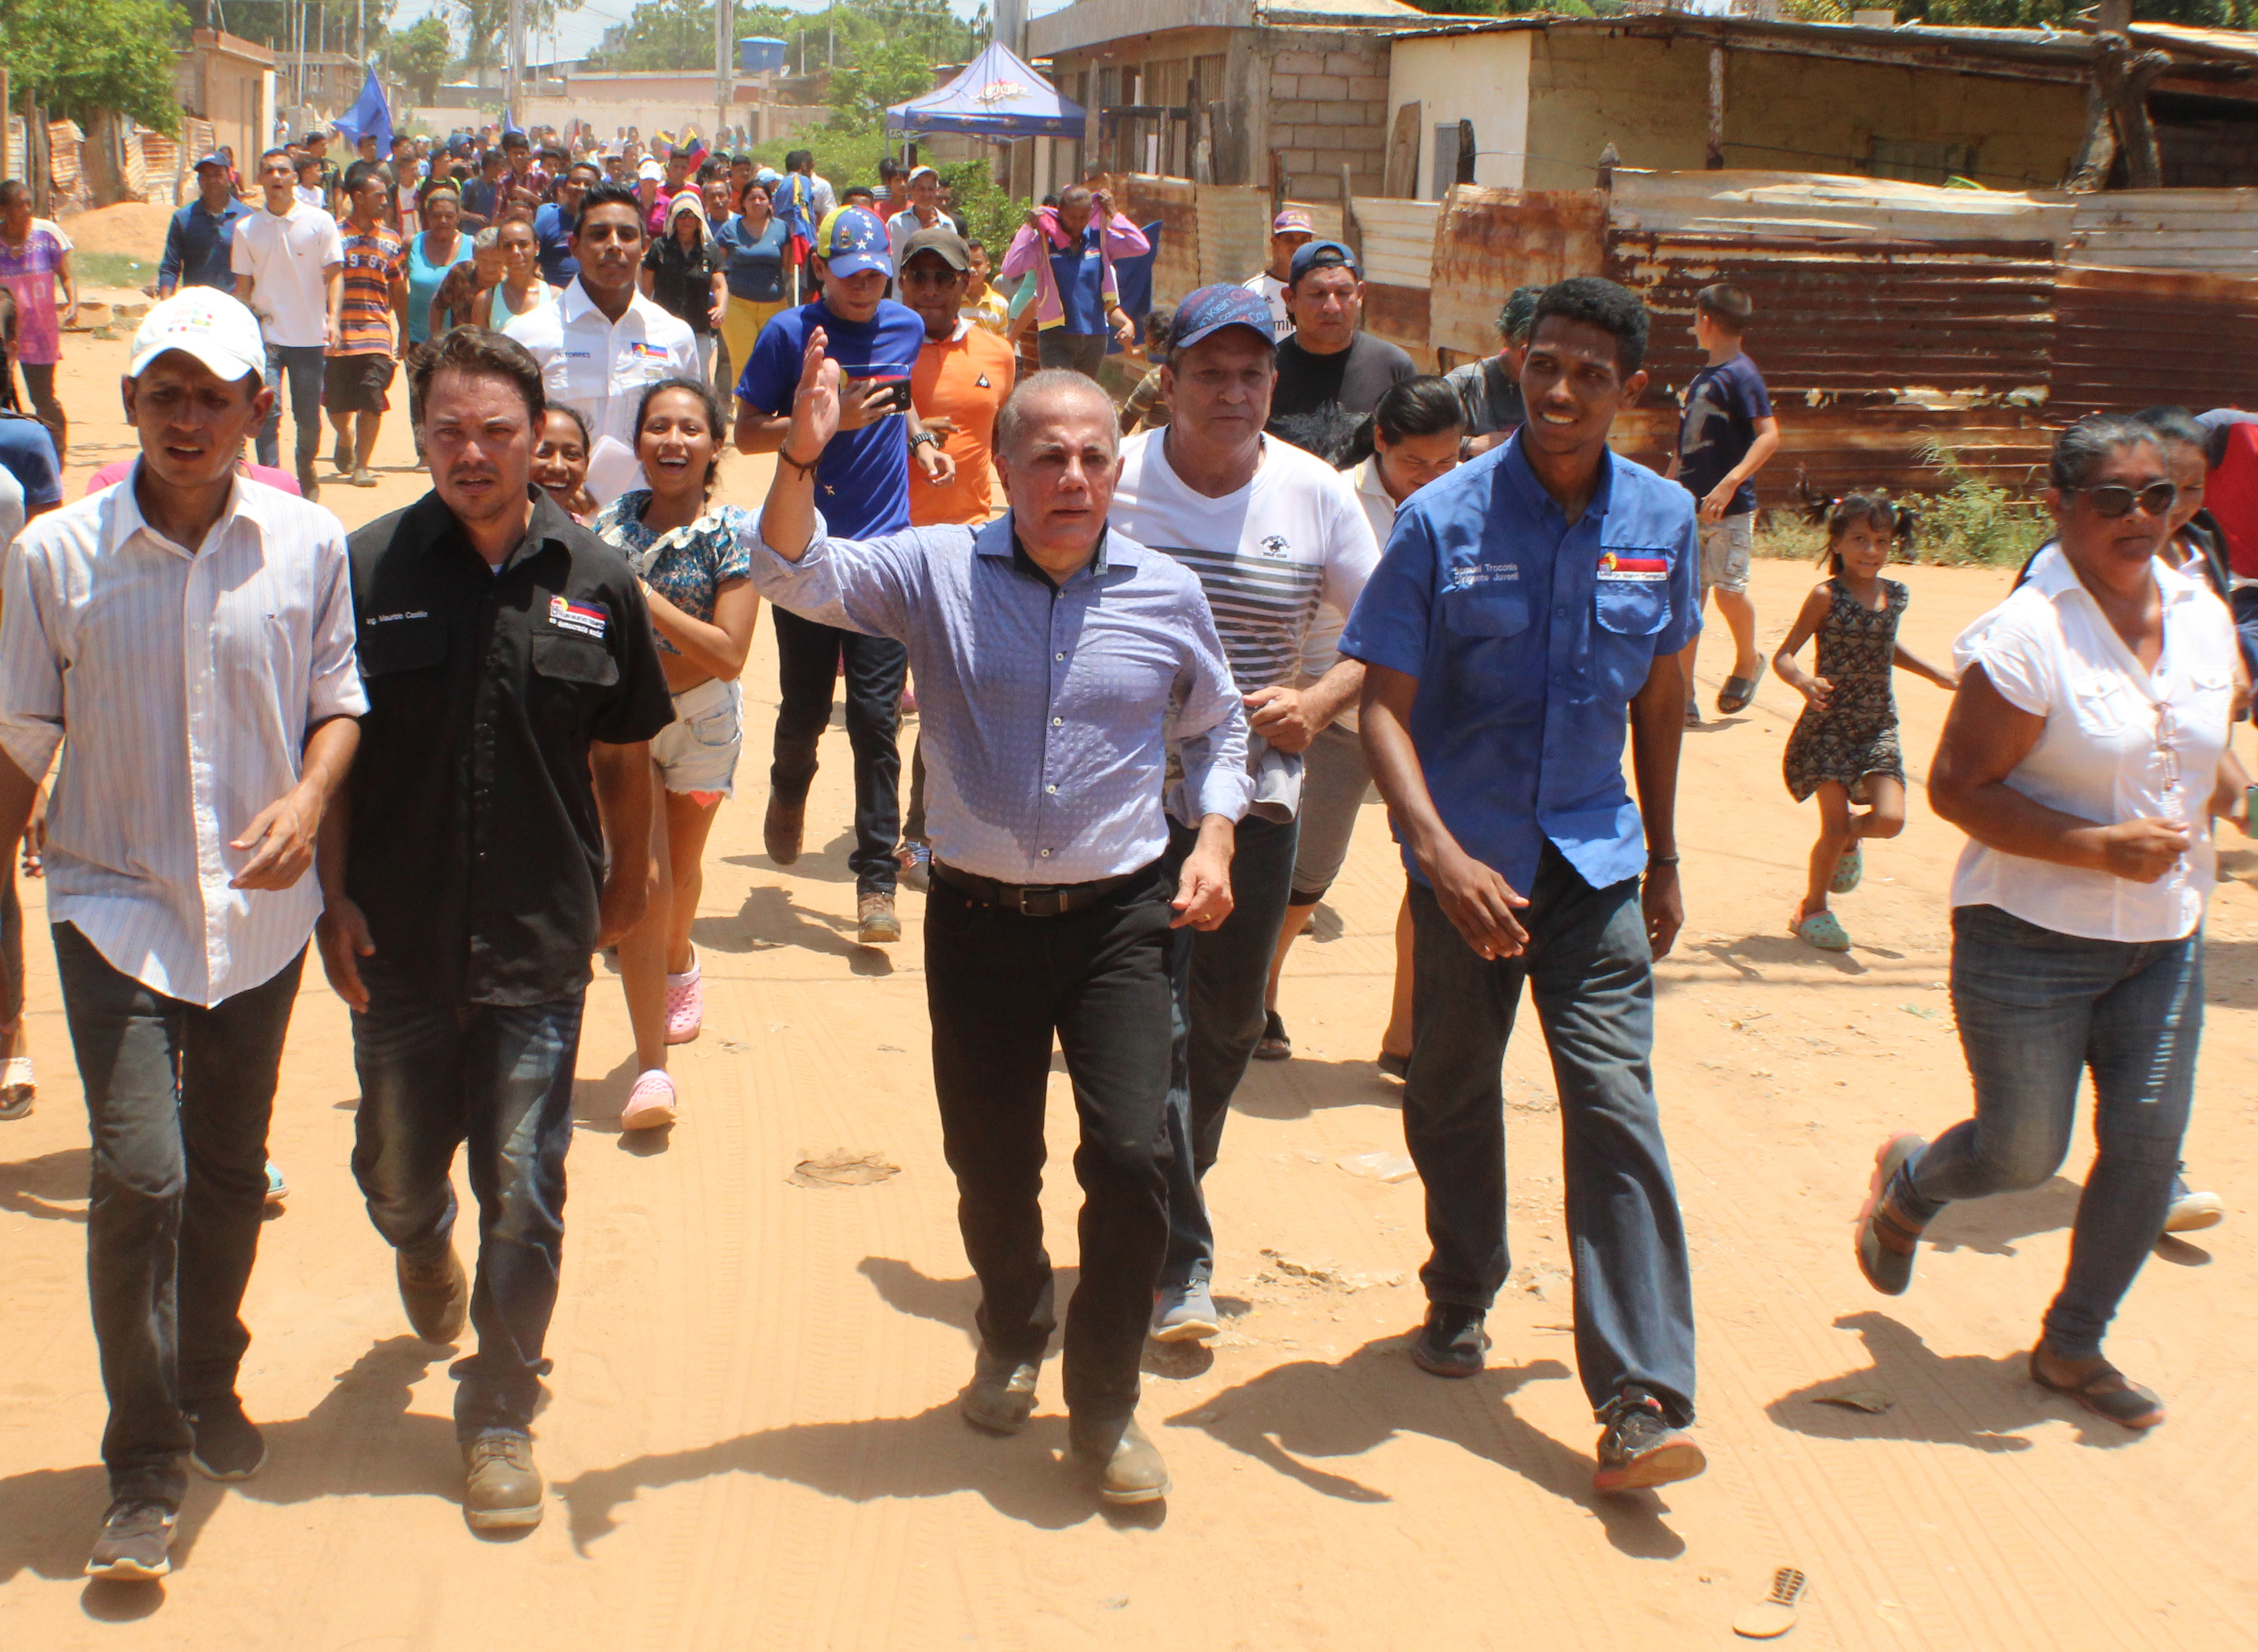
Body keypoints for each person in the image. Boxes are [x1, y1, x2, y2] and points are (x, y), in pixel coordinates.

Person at [748, 352, 1250, 1506]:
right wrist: (802, 454)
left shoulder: (1166, 594)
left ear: (1114, 470)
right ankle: (1013, 1330)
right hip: (976, 922)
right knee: (990, 1161)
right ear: (1006, 468)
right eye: (1046, 456)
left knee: (1130, 1157)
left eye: (1090, 457)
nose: (1070, 477)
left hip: (1121, 919)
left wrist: (1214, 835)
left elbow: (1217, 731)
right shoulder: (934, 571)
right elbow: (788, 569)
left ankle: (1107, 1403)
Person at [0, 290, 364, 1579]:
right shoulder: (55, 556)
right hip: (111, 904)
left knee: (226, 1170)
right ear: (131, 406)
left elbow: (340, 703)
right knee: (140, 1176)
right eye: (166, 395)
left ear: (259, 410)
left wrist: (311, 798)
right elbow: (19, 744)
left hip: (259, 917)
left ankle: (208, 1375)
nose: (188, 420)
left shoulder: (310, 543)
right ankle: (143, 1465)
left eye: (214, 397)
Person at [1341, 275, 1708, 1493]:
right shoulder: (1441, 520)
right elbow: (1383, 710)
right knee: (1450, 1090)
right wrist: (1435, 855)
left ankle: (1643, 1396)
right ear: (1516, 364)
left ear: (1630, 391)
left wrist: (1662, 854)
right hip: (1466, 871)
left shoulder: (1664, 518)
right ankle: (1460, 1288)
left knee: (1614, 1101)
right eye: (1545, 366)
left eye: (1591, 375)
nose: (1561, 392)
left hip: (1594, 862)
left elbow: (1661, 696)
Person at [319, 326, 673, 1533]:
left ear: (540, 441)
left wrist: (632, 888)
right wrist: (332, 897)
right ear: (421, 436)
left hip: (539, 933)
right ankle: (420, 1246)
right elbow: (334, 756)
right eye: (448, 432)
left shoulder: (598, 579)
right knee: (400, 1167)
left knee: (525, 1183)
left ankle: (502, 1410)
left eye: (497, 433)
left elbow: (625, 756)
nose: (471, 454)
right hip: (400, 935)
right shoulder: (364, 568)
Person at [1854, 415, 2242, 1433]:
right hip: (2026, 939)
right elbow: (1954, 787)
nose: (2136, 516)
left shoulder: (2199, 611)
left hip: (2162, 938)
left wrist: (2233, 794)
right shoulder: (2027, 636)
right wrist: (2094, 846)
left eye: (2154, 496)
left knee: (2145, 1149)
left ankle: (2071, 1345)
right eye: (2109, 498)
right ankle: (1908, 1186)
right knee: (2020, 1156)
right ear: (2058, 508)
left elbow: (2199, 735)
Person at [1107, 285, 1381, 1341]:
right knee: (1161, 1024)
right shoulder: (1116, 479)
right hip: (1127, 804)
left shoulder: (1314, 494)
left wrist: (1316, 702)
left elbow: (1388, 624)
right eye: (1210, 373)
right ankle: (1181, 1253)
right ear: (1166, 381)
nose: (1232, 391)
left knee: (1224, 1025)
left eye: (1251, 373)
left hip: (1261, 801)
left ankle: (1168, 1184)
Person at [735, 206, 948, 946]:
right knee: (801, 708)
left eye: (875, 276)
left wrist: (917, 443)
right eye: (850, 274)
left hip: (885, 556)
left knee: (876, 722)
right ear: (820, 268)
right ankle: (788, 789)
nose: (865, 289)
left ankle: (875, 883)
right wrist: (823, 424)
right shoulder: (787, 335)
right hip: (807, 549)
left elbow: (901, 397)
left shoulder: (905, 328)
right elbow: (744, 433)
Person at [1258, 376, 1464, 1066]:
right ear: (1381, 443)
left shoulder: (1472, 505)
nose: (1433, 479)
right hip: (1335, 712)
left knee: (1435, 877)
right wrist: (1313, 705)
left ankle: (1408, 1035)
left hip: (1436, 720)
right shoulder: (1333, 499)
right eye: (1416, 464)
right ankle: (1259, 993)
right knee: (1305, 876)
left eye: (1447, 463)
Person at [590, 379, 761, 1129]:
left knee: (682, 876)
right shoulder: (606, 529)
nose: (673, 441)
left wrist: (641, 602)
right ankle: (650, 1069)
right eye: (658, 428)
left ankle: (680, 958)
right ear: (639, 442)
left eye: (690, 428)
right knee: (646, 873)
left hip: (702, 731)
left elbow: (728, 654)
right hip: (624, 731)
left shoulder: (735, 537)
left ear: (714, 444)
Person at [1772, 495, 1956, 952]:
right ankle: (1811, 908)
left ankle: (1850, 838)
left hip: (1878, 723)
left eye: (1881, 541)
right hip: (1830, 723)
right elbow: (1784, 655)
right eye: (1859, 540)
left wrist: (1935, 673)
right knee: (1831, 827)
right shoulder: (1824, 596)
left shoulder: (1895, 596)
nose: (1871, 550)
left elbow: (1885, 645)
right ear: (1836, 542)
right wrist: (1802, 682)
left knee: (1891, 819)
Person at [894, 227, 1016, 889]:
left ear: (967, 282)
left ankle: (916, 837)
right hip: (885, 545)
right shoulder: (879, 348)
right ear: (902, 282)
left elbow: (1005, 446)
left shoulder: (998, 355)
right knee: (873, 704)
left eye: (944, 277)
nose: (932, 290)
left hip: (967, 544)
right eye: (919, 277)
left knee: (944, 696)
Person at [506, 180, 698, 505]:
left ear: (645, 245)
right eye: (598, 235)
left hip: (650, 521)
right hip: (552, 520)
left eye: (626, 235)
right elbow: (506, 434)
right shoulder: (527, 336)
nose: (613, 245)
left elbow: (694, 435)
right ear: (574, 245)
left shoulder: (675, 337)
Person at [1670, 282, 1778, 722]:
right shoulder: (1701, 380)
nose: (1694, 327)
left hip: (1730, 512)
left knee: (1730, 594)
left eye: (1695, 319)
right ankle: (1683, 699)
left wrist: (1731, 482)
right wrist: (1663, 492)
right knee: (1689, 603)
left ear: (1707, 322)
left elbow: (1770, 435)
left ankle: (1748, 661)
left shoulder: (1743, 374)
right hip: (1691, 511)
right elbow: (1684, 451)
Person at [233, 147, 344, 500]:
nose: (277, 177)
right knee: (268, 409)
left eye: (283, 171)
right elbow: (243, 287)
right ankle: (272, 480)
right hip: (267, 337)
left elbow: (335, 274)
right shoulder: (246, 229)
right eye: (269, 171)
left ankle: (306, 464)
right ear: (260, 179)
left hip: (309, 336)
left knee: (308, 416)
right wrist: (240, 330)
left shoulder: (319, 222)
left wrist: (335, 321)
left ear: (295, 178)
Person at [1265, 240, 1416, 446]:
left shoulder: (1393, 367)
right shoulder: (1264, 370)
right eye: (1317, 294)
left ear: (1361, 294)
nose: (1332, 307)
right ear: (1290, 298)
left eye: (1344, 293)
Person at [999, 184, 1145, 378]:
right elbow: (1009, 269)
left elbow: (1140, 245)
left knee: (1084, 398)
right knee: (1060, 396)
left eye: (1083, 217)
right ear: (1060, 214)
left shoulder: (1100, 240)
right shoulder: (1045, 243)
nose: (1078, 223)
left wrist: (1114, 213)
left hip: (1095, 337)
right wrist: (1028, 228)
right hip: (1056, 338)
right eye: (1071, 217)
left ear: (1091, 214)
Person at [322, 161, 407, 490]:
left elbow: (399, 288)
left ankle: (362, 465)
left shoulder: (391, 240)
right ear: (358, 198)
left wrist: (404, 332)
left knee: (372, 395)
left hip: (377, 331)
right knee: (337, 406)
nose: (386, 202)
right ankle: (345, 438)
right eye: (379, 196)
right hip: (338, 333)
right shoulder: (332, 235)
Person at [0, 181, 77, 462]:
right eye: (20, 205)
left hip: (39, 331)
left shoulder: (48, 235)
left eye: (29, 203)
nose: (28, 210)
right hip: (4, 334)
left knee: (43, 399)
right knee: (2, 397)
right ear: (4, 210)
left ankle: (56, 456)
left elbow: (66, 275)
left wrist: (73, 302)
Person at [715, 178, 790, 409]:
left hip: (775, 306)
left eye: (762, 198)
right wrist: (721, 298)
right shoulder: (730, 229)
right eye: (752, 198)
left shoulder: (782, 228)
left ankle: (771, 411)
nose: (757, 202)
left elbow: (788, 266)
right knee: (744, 362)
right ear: (743, 203)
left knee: (775, 361)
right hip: (739, 305)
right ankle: (744, 416)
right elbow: (716, 265)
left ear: (770, 202)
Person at [1444, 283, 1545, 451]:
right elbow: (1419, 439)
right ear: (1506, 336)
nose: (1533, 361)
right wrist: (1468, 445)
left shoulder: (1557, 391)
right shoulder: (1465, 384)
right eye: (1524, 348)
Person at [639, 192, 726, 382]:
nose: (687, 220)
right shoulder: (659, 247)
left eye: (692, 215)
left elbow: (719, 285)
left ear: (699, 219)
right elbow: (646, 288)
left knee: (699, 378)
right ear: (673, 219)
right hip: (663, 326)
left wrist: (721, 307)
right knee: (662, 376)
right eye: (682, 215)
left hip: (698, 327)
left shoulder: (710, 251)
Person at [158, 154, 251, 298]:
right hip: (196, 306)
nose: (212, 180)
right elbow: (170, 267)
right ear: (199, 181)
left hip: (234, 306)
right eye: (206, 176)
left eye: (218, 175)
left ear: (230, 178)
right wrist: (165, 305)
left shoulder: (247, 218)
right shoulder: (183, 218)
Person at [1242, 207, 1314, 339]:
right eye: (1289, 239)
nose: (1297, 246)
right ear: (1275, 242)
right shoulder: (1255, 290)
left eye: (1304, 240)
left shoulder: (1319, 286)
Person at [884, 164, 958, 280]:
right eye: (921, 189)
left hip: (937, 294)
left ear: (936, 191)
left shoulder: (947, 225)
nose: (926, 195)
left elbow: (955, 262)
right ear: (911, 190)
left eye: (931, 189)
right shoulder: (896, 223)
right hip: (902, 295)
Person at [430, 226, 503, 336]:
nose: (490, 268)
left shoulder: (512, 280)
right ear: (474, 256)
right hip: (463, 346)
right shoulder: (461, 274)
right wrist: (436, 339)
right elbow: (438, 306)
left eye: (497, 262)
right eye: (484, 261)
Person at [533, 160, 596, 288]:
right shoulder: (546, 224)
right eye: (576, 182)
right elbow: (529, 265)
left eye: (588, 184)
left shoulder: (606, 223)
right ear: (564, 187)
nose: (581, 187)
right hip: (559, 301)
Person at [487, 216, 553, 330]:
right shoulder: (487, 300)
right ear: (498, 252)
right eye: (508, 246)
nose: (516, 252)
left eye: (523, 245)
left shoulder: (556, 297)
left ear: (536, 248)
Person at [533, 403, 597, 520]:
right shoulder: (493, 532)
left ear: (586, 467)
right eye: (543, 452)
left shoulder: (588, 536)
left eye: (572, 455)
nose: (558, 466)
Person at [961, 238, 1009, 335]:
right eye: (967, 265)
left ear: (988, 267)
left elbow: (1002, 343)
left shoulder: (1000, 305)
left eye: (977, 264)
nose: (972, 269)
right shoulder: (952, 301)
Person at [460, 148, 508, 230]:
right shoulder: (470, 185)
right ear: (490, 166)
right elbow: (459, 211)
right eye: (500, 166)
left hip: (491, 235)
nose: (501, 170)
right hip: (471, 234)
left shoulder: (500, 187)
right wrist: (474, 217)